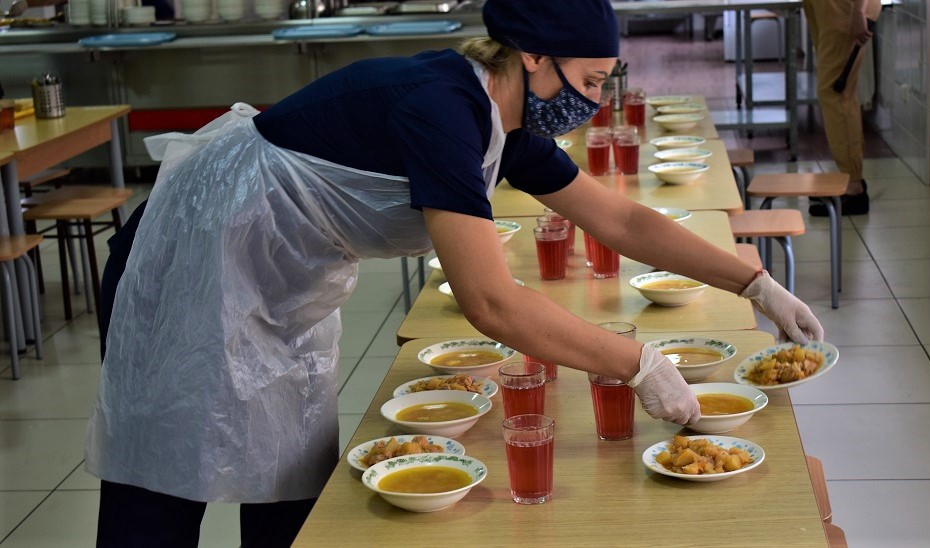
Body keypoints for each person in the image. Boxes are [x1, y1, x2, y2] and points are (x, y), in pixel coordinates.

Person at [87, 0, 825, 545]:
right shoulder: (442, 108)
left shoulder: (502, 122)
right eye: (591, 80)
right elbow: (490, 304)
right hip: (191, 257)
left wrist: (751, 283)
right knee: (160, 489)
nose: (595, 102)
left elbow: (622, 221)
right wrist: (635, 363)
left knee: (288, 482)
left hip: (276, 283)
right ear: (533, 57)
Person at [805, 0, 881, 216]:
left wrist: (859, 10)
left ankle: (853, 188)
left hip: (846, 8)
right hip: (831, 9)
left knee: (836, 93)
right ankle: (849, 179)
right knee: (837, 93)